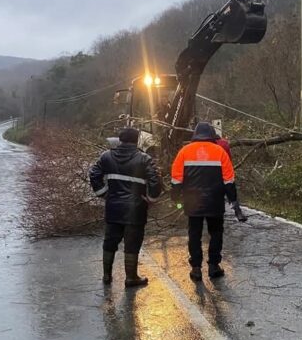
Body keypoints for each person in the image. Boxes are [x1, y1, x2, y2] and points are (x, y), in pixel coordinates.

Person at [89, 128, 162, 287]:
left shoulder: (106, 156)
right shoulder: (144, 159)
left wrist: (103, 193)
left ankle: (106, 276)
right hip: (136, 209)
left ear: (120, 140)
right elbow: (156, 181)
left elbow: (94, 174)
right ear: (137, 141)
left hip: (114, 207)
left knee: (110, 241)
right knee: (132, 243)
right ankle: (131, 277)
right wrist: (151, 198)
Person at [171, 122, 242, 281]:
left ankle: (196, 268)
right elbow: (229, 180)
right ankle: (213, 266)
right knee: (216, 233)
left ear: (195, 134)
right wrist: (233, 201)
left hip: (192, 200)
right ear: (212, 135)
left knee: (194, 233)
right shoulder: (220, 151)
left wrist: (175, 197)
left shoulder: (184, 151)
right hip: (215, 200)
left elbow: (176, 178)